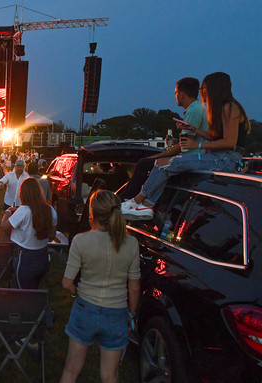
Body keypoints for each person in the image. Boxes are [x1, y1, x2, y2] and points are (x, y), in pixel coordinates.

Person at [121, 72, 250, 220]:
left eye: (204, 87)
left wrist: (197, 144)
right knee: (162, 164)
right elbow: (215, 138)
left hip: (226, 159)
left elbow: (229, 143)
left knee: (164, 163)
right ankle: (146, 205)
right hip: (219, 156)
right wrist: (194, 129)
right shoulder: (221, 108)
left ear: (215, 87)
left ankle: (138, 201)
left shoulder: (230, 107)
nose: (201, 91)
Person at [60, 190, 140, 383]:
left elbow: (66, 282)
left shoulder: (81, 240)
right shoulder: (131, 243)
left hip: (85, 308)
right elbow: (134, 288)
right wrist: (131, 314)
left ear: (92, 214)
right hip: (116, 313)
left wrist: (75, 293)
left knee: (71, 370)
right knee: (109, 375)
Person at [120, 77, 209, 201]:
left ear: (182, 94)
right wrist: (176, 143)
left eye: (175, 93)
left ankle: (128, 200)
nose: (175, 97)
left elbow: (182, 147)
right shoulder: (201, 107)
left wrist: (156, 157)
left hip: (192, 159)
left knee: (143, 164)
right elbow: (188, 141)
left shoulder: (193, 111)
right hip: (197, 156)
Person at [0, 177, 57, 290]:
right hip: (43, 257)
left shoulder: (23, 210)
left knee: (24, 294)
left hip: (25, 258)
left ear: (23, 193)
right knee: (34, 290)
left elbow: (4, 227)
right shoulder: (50, 210)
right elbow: (51, 236)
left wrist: (8, 211)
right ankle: (38, 307)